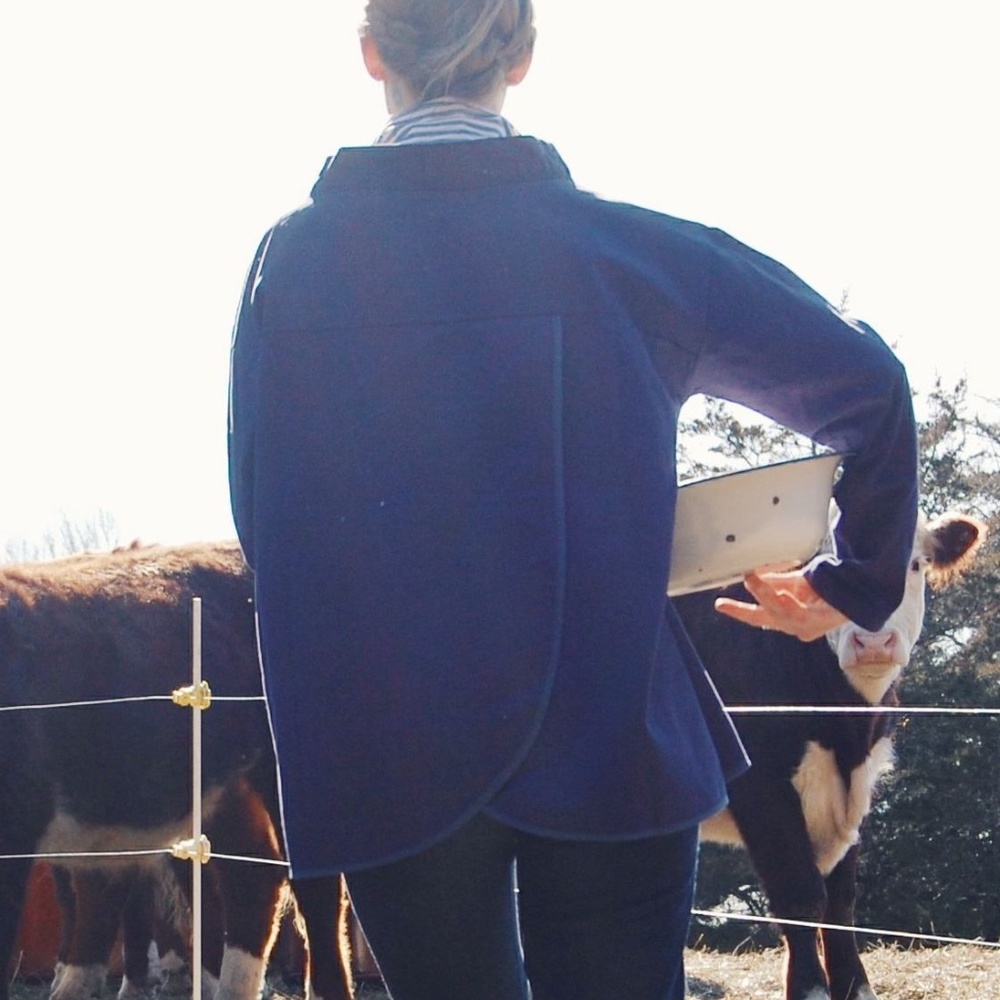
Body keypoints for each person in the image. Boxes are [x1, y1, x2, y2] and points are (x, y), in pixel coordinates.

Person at [227, 2, 919, 998]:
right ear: (524, 56)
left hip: (388, 741)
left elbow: (263, 517)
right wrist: (849, 582)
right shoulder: (626, 252)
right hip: (611, 730)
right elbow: (869, 386)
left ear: (372, 53)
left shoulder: (286, 272)